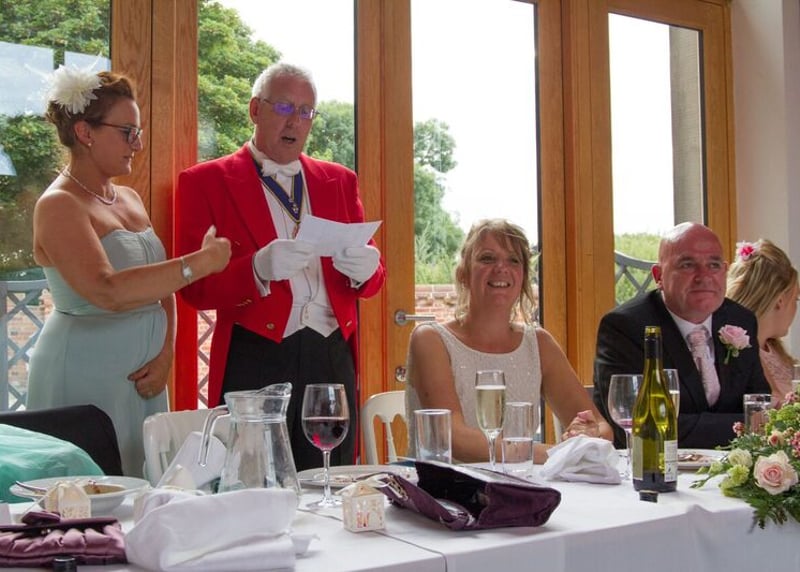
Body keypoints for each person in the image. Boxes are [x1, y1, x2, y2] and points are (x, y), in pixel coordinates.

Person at [175, 62, 386, 472]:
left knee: (330, 478)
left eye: (306, 112)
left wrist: (368, 270)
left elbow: (374, 280)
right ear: (255, 109)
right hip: (255, 354)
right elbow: (193, 290)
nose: (295, 121)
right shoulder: (205, 181)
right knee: (254, 482)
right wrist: (255, 270)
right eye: (285, 107)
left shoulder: (340, 181)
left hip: (331, 355)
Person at [27, 66, 231, 477]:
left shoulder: (129, 198)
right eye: (127, 132)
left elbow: (159, 285)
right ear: (85, 132)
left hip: (143, 381)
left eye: (137, 132)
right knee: (89, 491)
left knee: (145, 486)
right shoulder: (59, 205)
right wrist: (199, 263)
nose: (137, 144)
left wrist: (166, 352)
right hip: (84, 373)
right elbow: (107, 290)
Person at [406, 219, 612, 463]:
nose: (501, 268)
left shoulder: (539, 344)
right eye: (487, 258)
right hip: (445, 485)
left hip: (521, 483)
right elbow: (453, 439)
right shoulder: (431, 340)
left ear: (523, 277)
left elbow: (602, 427)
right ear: (463, 274)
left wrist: (587, 434)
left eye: (513, 260)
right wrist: (557, 454)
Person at [593, 222, 770, 449]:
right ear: (659, 275)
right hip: (653, 466)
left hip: (734, 465)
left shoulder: (740, 319)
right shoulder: (626, 327)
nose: (704, 276)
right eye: (687, 265)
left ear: (725, 271)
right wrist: (743, 425)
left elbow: (760, 408)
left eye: (714, 265)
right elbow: (643, 426)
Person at [726, 239, 799, 400]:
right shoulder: (736, 355)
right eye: (796, 299)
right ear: (780, 300)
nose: (796, 308)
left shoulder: (776, 352)